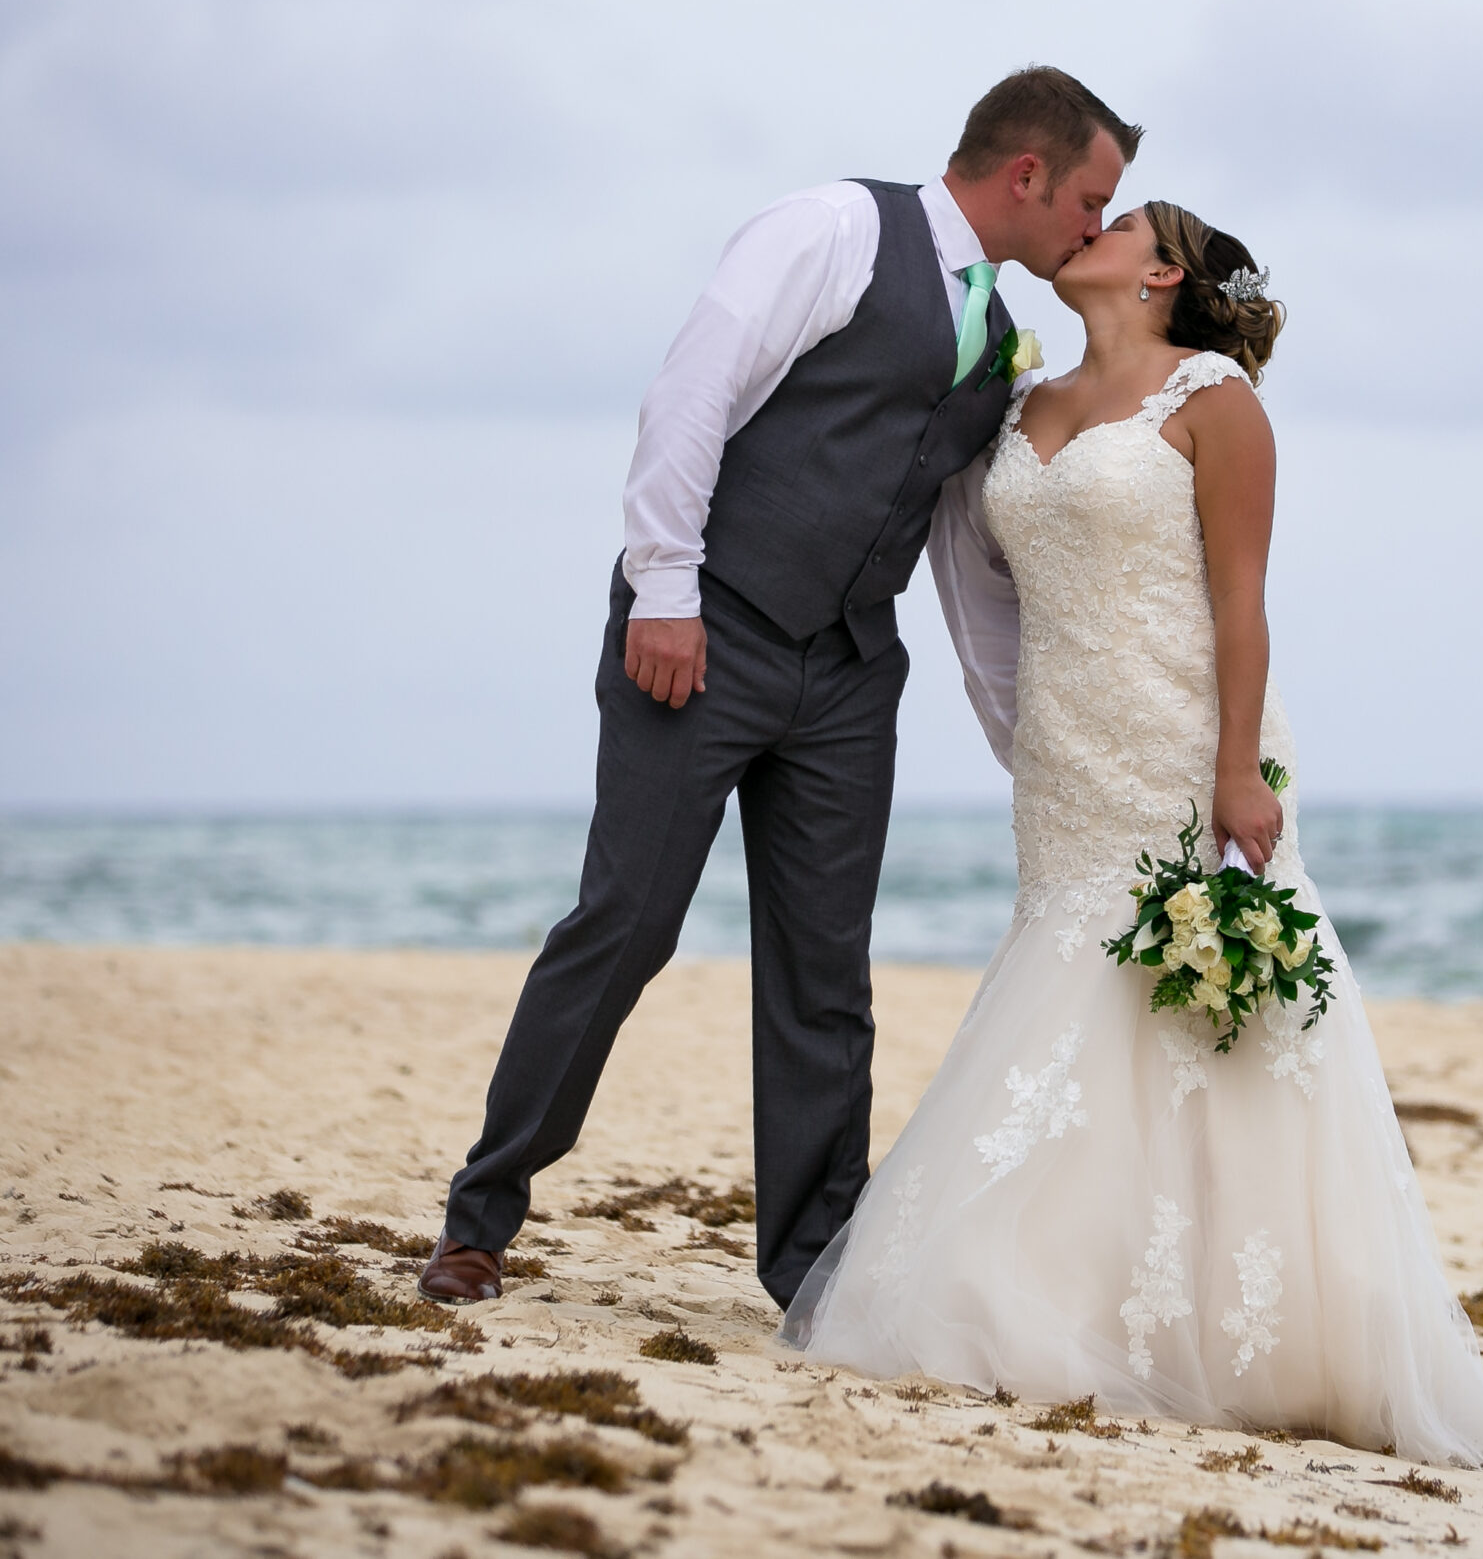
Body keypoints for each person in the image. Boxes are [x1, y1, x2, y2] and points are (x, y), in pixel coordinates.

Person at [780, 202, 1483, 1462]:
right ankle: (1060, 1299)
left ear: (1160, 273)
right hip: (1062, 757)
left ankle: (1246, 1328)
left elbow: (1241, 602)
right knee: (1070, 998)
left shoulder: (1214, 401)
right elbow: (970, 576)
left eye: (1116, 225)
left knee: (1202, 1014)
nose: (1084, 229)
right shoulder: (1018, 401)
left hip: (1184, 743)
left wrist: (1236, 770)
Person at [418, 68, 1143, 1312]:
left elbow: (959, 557)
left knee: (824, 973)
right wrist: (663, 589)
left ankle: (812, 1270)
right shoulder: (834, 230)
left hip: (854, 671)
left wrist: (1023, 731)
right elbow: (692, 392)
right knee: (625, 926)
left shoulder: (1004, 341)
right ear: (1026, 175)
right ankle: (481, 1217)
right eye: (1090, 199)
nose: (1093, 227)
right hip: (709, 635)